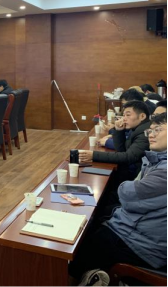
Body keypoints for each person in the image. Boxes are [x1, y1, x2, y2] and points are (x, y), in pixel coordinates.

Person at [70, 113, 167, 286]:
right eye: (150, 131)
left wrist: (128, 185)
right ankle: (90, 275)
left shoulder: (163, 170)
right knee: (91, 226)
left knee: (83, 244)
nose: (151, 134)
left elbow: (129, 194)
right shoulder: (157, 159)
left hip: (144, 245)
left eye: (157, 130)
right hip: (142, 231)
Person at [80, 101, 151, 181]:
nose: (124, 119)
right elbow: (121, 150)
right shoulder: (137, 128)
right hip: (129, 171)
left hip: (134, 177)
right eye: (123, 115)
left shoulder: (145, 132)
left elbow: (128, 157)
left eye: (128, 115)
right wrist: (119, 130)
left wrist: (94, 155)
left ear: (142, 116)